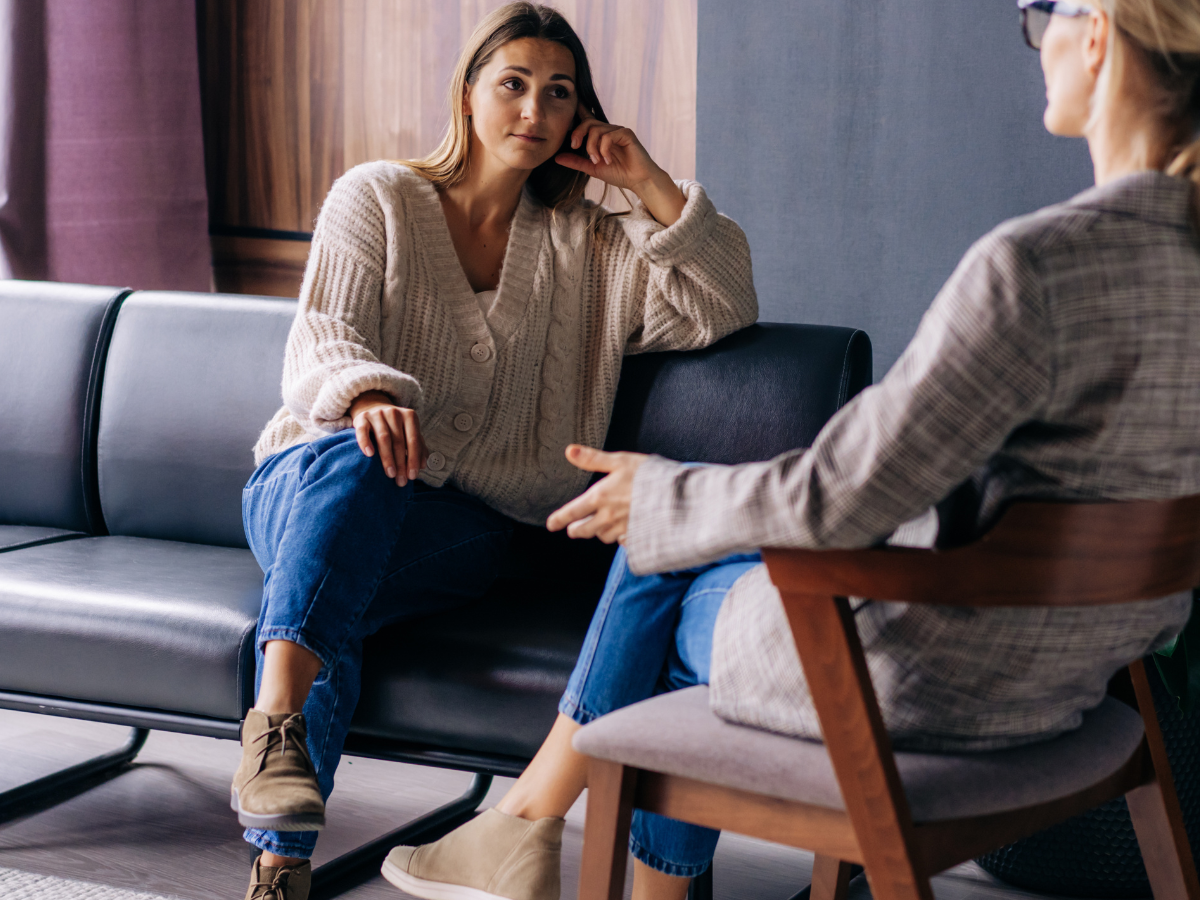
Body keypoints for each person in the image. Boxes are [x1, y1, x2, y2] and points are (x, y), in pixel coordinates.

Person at [383, 1, 1200, 899]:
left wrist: (662, 498)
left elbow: (843, 497)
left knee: (665, 558)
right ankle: (536, 835)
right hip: (1081, 675)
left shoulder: (1041, 266)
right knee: (684, 534)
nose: (1035, 38)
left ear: (1096, 38)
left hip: (930, 681)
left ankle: (524, 827)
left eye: (1041, 12)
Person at [231, 3, 757, 898]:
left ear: (580, 117)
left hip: (466, 525)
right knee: (359, 476)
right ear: (467, 95)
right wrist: (368, 393)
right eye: (512, 83)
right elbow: (322, 334)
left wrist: (648, 179)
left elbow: (723, 303)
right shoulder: (379, 195)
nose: (535, 109)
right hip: (312, 478)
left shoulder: (592, 244)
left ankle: (280, 862)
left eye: (559, 93)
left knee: (339, 588)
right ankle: (277, 720)